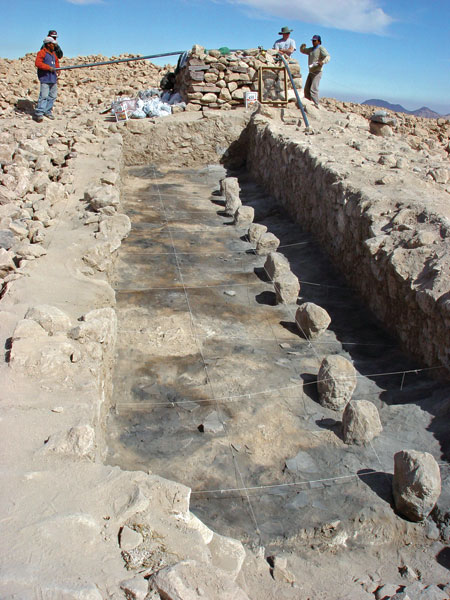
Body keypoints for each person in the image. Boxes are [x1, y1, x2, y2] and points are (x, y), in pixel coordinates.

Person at [34, 37, 60, 122]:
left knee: (52, 96)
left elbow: (56, 62)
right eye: (53, 44)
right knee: (44, 96)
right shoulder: (42, 53)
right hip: (45, 78)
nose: (54, 46)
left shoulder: (53, 54)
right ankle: (39, 113)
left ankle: (47, 111)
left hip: (53, 78)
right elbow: (38, 63)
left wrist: (58, 69)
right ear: (48, 44)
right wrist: (48, 68)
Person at [300, 35, 330, 106]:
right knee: (307, 89)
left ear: (319, 42)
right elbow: (303, 51)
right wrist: (302, 47)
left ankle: (316, 104)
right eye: (312, 41)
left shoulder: (320, 48)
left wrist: (322, 62)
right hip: (311, 71)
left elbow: (328, 56)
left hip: (317, 71)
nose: (313, 42)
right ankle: (308, 104)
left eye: (314, 41)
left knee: (313, 89)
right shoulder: (311, 49)